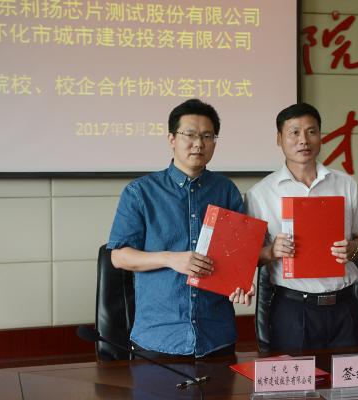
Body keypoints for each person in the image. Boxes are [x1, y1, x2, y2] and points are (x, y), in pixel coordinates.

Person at [107, 99, 253, 358]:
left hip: (216, 335)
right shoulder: (140, 192)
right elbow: (119, 257)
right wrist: (170, 258)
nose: (199, 143)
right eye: (190, 134)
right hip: (159, 336)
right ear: (171, 139)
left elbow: (236, 257)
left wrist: (241, 283)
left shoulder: (226, 190)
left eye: (207, 136)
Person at [245, 102, 358, 352]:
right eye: (294, 132)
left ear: (320, 136)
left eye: (311, 131)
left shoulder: (345, 184)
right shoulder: (260, 194)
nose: (303, 140)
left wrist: (352, 249)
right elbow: (249, 258)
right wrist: (272, 251)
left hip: (344, 306)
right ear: (279, 139)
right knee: (296, 377)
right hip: (293, 309)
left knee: (346, 375)